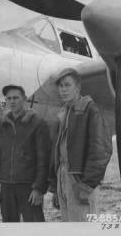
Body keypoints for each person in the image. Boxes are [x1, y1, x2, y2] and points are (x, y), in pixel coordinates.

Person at [48, 68, 112, 222]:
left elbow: (101, 150)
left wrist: (87, 185)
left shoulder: (91, 110)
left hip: (80, 182)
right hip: (63, 178)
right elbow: (57, 153)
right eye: (60, 86)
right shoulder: (65, 113)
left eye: (67, 85)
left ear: (78, 87)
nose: (63, 90)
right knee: (69, 227)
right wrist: (56, 188)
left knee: (85, 229)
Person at [0, 85, 51, 222]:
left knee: (34, 227)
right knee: (10, 228)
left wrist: (39, 188)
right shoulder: (1, 125)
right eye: (9, 98)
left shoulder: (38, 124)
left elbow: (44, 159)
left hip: (28, 186)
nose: (12, 101)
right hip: (6, 186)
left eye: (16, 98)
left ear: (24, 99)